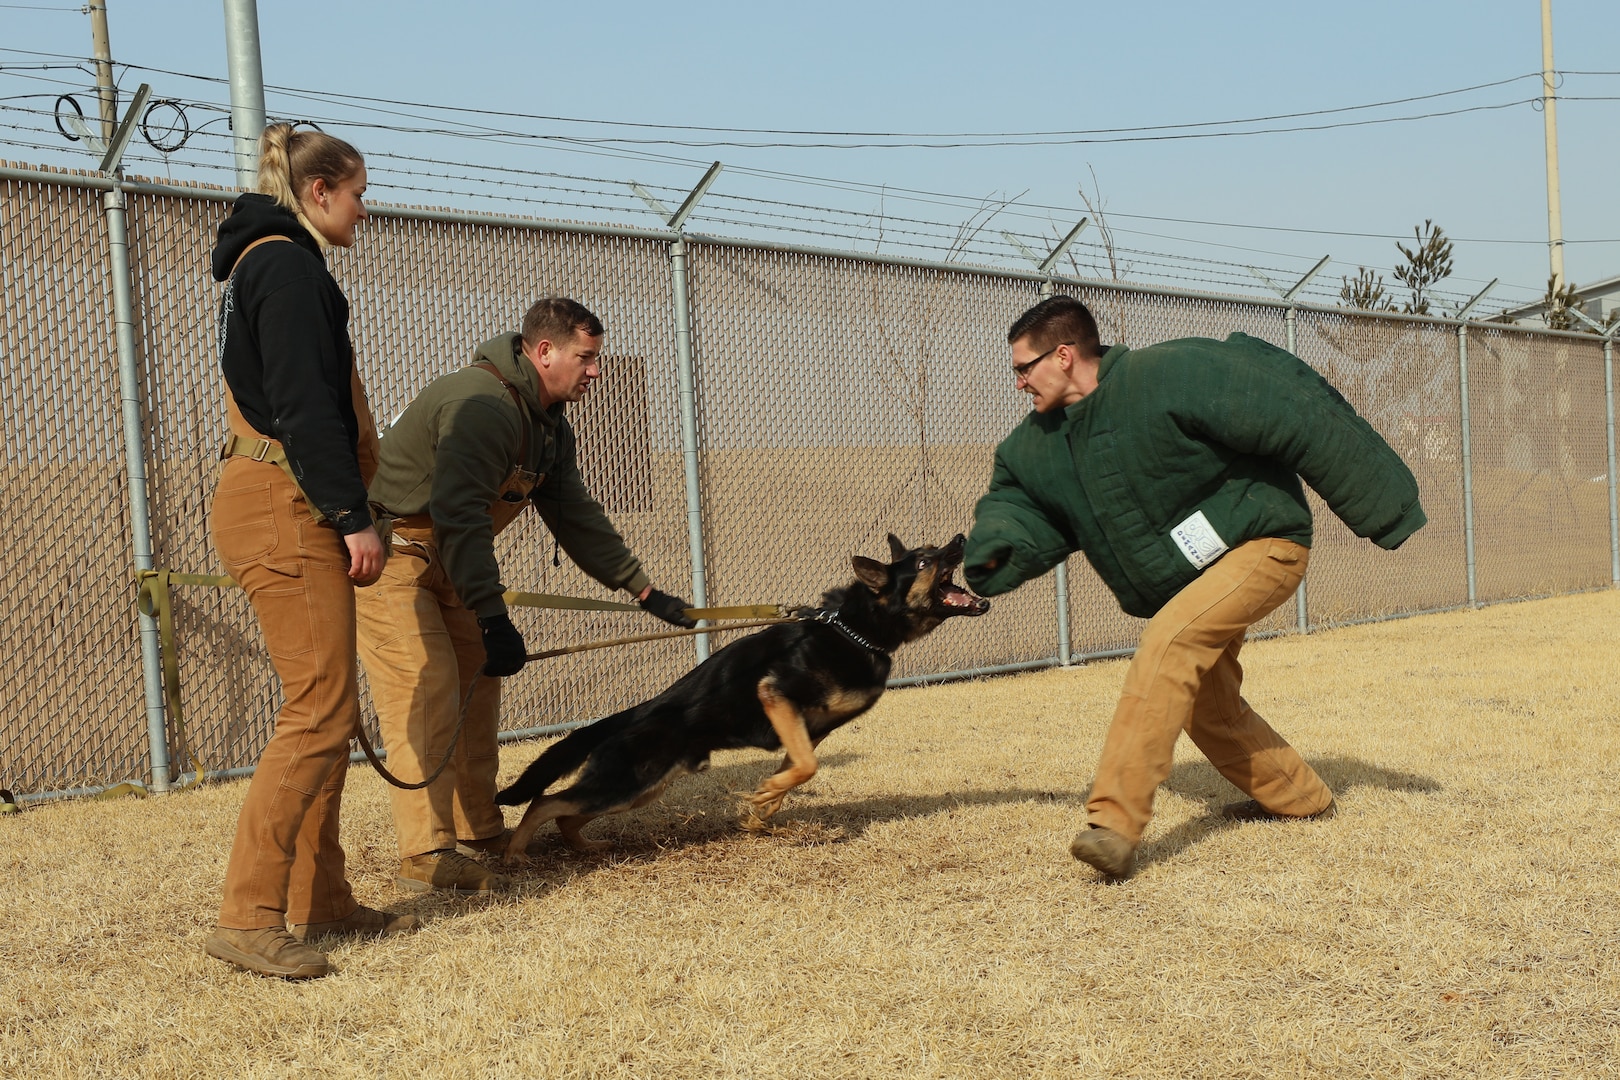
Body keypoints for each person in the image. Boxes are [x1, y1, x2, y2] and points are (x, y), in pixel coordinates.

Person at [964, 295, 1426, 881]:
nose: (1019, 383)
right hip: (1196, 577)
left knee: (1170, 641)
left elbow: (1285, 403)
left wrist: (1386, 506)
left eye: (1024, 369)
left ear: (1063, 355)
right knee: (1209, 710)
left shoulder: (1169, 374)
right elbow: (1022, 507)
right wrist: (992, 553)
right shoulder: (1036, 444)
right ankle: (1302, 799)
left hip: (1263, 544)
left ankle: (1114, 824)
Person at [355, 297, 695, 891]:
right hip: (398, 557)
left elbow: (575, 516)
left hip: (454, 565)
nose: (595, 372)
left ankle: (478, 826)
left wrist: (643, 590)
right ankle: (426, 854)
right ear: (544, 352)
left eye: (597, 360)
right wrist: (492, 616)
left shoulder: (547, 427)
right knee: (428, 686)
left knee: (478, 688)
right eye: (585, 358)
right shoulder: (481, 405)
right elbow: (459, 515)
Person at [203, 123, 416, 980]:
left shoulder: (274, 260)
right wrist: (348, 512)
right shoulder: (285, 263)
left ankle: (321, 899)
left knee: (328, 708)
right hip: (285, 501)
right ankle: (248, 914)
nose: (365, 211)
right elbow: (303, 404)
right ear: (320, 189)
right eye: (358, 194)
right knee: (320, 709)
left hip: (284, 497)